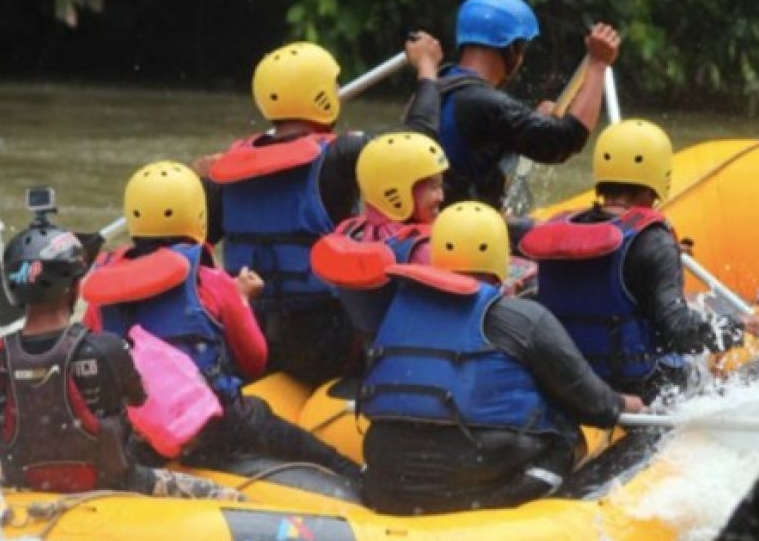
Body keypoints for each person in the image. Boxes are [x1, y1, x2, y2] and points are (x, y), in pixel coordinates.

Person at [355, 201, 645, 515]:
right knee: (563, 434)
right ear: (500, 257)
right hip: (479, 484)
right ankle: (554, 516)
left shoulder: (397, 310)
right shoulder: (522, 317)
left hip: (390, 479)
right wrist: (628, 404)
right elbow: (593, 404)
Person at [0, 207, 233, 499]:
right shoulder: (108, 348)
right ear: (73, 288)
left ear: (13, 291)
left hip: (25, 491)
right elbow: (140, 402)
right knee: (228, 497)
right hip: (117, 486)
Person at [81, 161, 361, 480]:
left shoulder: (102, 289)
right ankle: (359, 480)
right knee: (283, 431)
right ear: (199, 217)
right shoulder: (211, 282)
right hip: (212, 430)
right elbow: (254, 360)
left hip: (140, 436)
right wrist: (240, 300)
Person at [200, 33, 444, 384]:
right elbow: (418, 142)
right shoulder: (337, 156)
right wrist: (426, 67)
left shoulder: (227, 171)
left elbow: (195, 248)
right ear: (323, 97)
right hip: (327, 341)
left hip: (253, 337)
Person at [520, 120, 759, 403]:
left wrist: (664, 255)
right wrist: (742, 325)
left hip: (570, 380)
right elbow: (680, 333)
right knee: (711, 370)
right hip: (640, 386)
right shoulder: (653, 242)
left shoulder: (561, 229)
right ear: (659, 176)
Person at [437, 0, 620, 210]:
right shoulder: (484, 102)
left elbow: (490, 136)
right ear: (512, 47)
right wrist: (599, 64)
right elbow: (566, 138)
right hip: (464, 231)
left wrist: (536, 120)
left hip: (447, 217)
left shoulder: (439, 83)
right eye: (521, 48)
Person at [309, 131, 447, 337]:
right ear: (396, 191)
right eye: (433, 187)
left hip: (369, 352)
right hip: (419, 351)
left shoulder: (348, 231)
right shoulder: (424, 249)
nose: (441, 196)